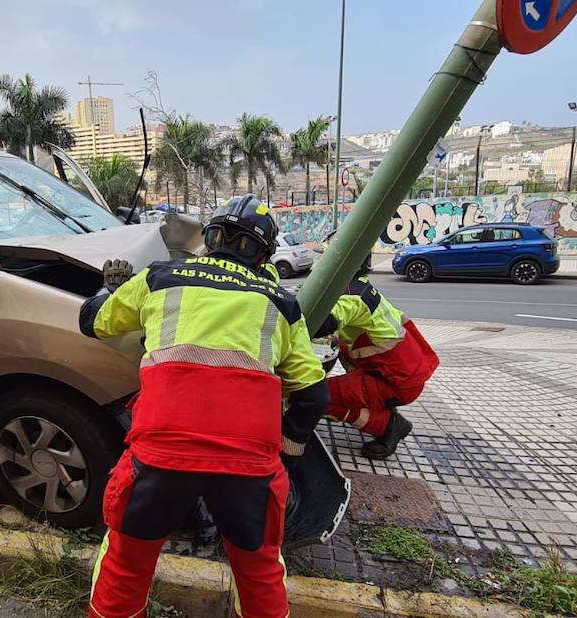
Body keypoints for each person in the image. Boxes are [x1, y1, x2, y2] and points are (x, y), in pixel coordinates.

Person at [79, 194, 329, 618]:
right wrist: (285, 449)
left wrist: (111, 289)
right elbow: (314, 395)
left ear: (210, 238)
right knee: (260, 572)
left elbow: (92, 321)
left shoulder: (160, 277)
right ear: (264, 255)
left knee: (126, 564)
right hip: (248, 468)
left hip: (159, 459)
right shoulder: (280, 302)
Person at [315, 254, 439, 459]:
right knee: (340, 352)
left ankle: (389, 425)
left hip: (394, 383)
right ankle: (381, 409)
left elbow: (321, 323)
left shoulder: (350, 298)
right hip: (401, 374)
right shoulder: (361, 287)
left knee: (314, 396)